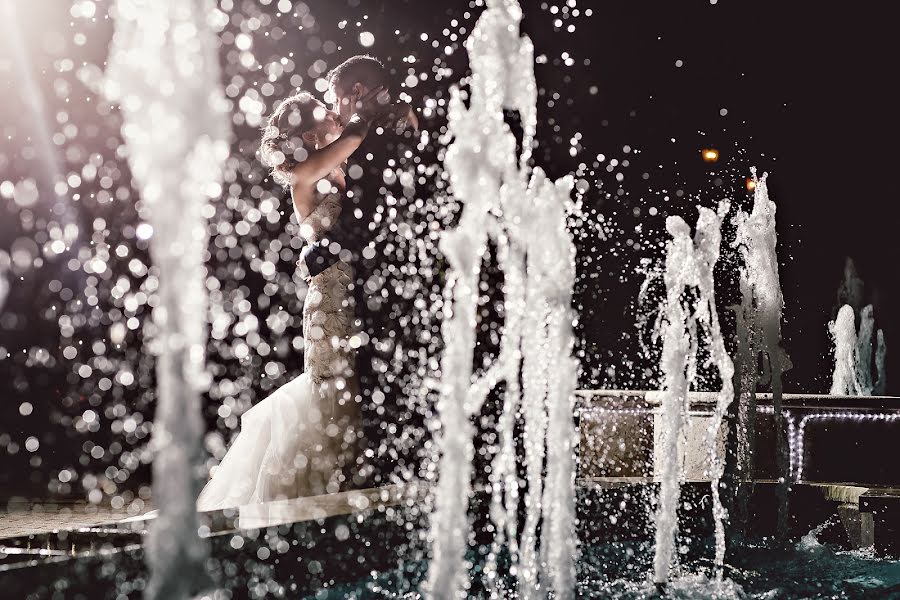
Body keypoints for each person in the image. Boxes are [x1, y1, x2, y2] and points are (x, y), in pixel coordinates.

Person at [196, 86, 392, 510]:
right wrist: (367, 103)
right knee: (330, 391)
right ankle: (308, 501)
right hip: (329, 301)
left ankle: (338, 496)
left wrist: (349, 105)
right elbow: (355, 134)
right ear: (306, 137)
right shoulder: (306, 174)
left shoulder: (332, 163)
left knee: (347, 392)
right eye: (322, 110)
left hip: (350, 293)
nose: (330, 111)